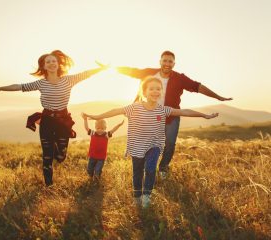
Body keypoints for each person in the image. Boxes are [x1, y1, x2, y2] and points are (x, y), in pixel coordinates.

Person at [82, 76, 219, 208]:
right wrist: (95, 116)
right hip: (137, 146)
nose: (155, 91)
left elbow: (184, 111)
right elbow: (115, 111)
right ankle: (137, 196)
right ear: (145, 92)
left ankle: (146, 196)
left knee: (150, 168)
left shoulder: (163, 109)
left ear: (161, 92)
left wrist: (204, 115)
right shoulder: (134, 107)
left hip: (155, 145)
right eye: (151, 89)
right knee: (137, 172)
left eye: (158, 89)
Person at [0, 50, 107, 186]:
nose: (51, 63)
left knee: (61, 157)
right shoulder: (41, 83)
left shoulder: (68, 80)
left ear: (58, 64)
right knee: (47, 156)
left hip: (63, 121)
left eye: (53, 61)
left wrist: (102, 68)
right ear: (44, 66)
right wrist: (0, 88)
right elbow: (19, 86)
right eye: (48, 62)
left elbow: (86, 74)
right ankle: (49, 186)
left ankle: (56, 148)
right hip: (47, 121)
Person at [115, 50, 232, 179]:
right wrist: (110, 67)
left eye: (170, 61)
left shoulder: (179, 78)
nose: (167, 63)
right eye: (164, 60)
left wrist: (218, 97)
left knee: (170, 143)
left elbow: (197, 86)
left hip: (172, 115)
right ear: (160, 62)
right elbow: (131, 71)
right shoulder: (149, 72)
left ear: (174, 64)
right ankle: (146, 168)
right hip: (150, 114)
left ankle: (163, 168)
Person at [82, 114, 124, 181]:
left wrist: (119, 125)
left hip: (101, 158)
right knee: (89, 170)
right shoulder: (93, 133)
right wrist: (85, 119)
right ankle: (90, 179)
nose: (100, 130)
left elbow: (113, 130)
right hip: (92, 156)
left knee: (97, 170)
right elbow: (86, 128)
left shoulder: (106, 135)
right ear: (96, 127)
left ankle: (96, 181)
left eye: (102, 128)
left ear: (105, 128)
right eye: (98, 128)